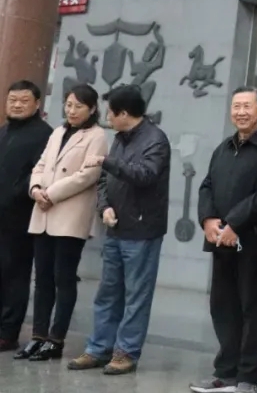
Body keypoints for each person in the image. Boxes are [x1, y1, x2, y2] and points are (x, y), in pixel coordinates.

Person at [68, 85, 171, 376]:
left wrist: (107, 161)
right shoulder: (120, 139)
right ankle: (98, 348)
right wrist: (104, 207)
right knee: (108, 294)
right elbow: (104, 180)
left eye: (110, 113)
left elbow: (145, 175)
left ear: (124, 113)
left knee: (136, 296)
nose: (107, 119)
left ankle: (126, 352)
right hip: (115, 228)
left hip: (142, 230)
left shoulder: (155, 140)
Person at [191, 87, 257, 393]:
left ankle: (247, 378)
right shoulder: (224, 147)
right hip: (221, 241)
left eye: (247, 106)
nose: (241, 112)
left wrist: (236, 223)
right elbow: (207, 185)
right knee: (222, 306)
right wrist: (208, 219)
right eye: (236, 106)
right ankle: (225, 372)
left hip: (253, 241)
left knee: (250, 308)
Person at [17, 84, 108, 362]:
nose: (72, 110)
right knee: (42, 278)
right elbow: (40, 165)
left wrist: (51, 194)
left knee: (63, 278)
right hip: (43, 212)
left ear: (92, 109)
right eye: (68, 105)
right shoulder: (57, 132)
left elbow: (88, 175)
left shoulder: (97, 136)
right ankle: (38, 337)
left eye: (78, 106)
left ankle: (55, 340)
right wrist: (35, 189)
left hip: (69, 215)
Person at [0, 80, 54, 352]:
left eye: (24, 101)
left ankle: (7, 333)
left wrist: (15, 193)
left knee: (14, 275)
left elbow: (39, 174)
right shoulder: (4, 131)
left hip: (20, 217)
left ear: (37, 104)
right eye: (12, 100)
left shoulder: (45, 135)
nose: (17, 105)